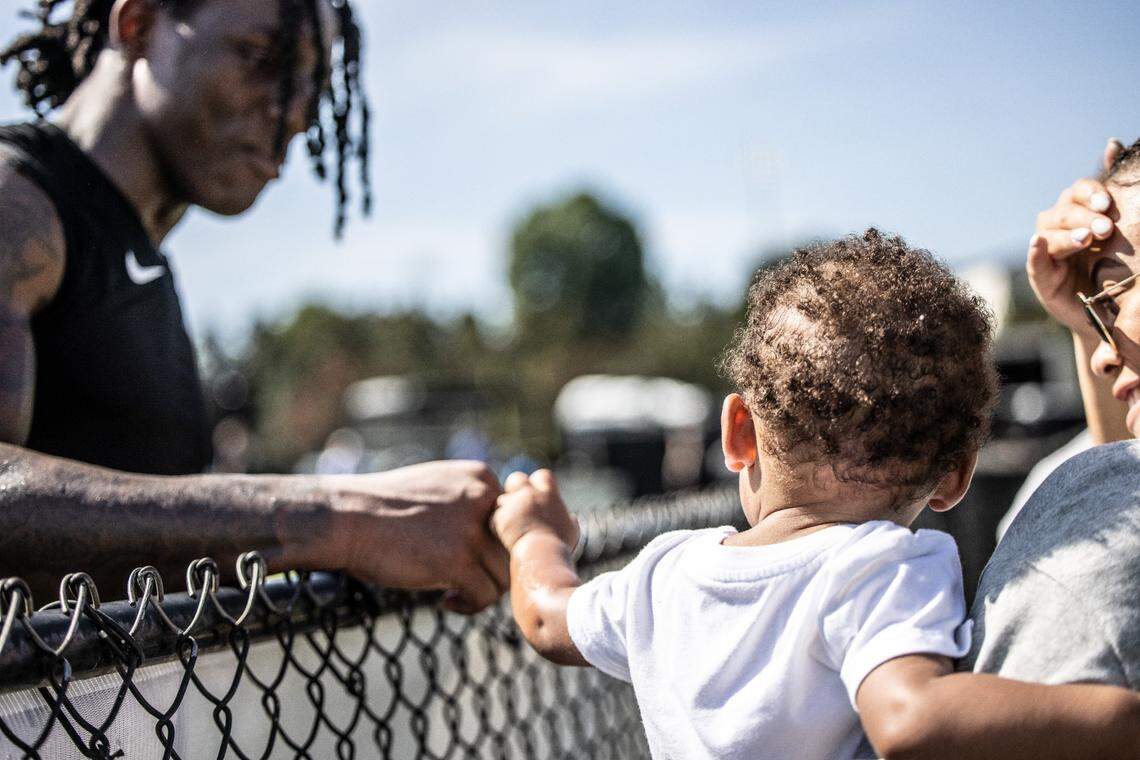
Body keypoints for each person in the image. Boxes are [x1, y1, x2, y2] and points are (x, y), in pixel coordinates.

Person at [490, 230, 1140, 760]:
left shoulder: (662, 573)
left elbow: (547, 618)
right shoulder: (879, 566)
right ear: (954, 476)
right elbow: (910, 719)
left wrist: (532, 535)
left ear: (738, 431)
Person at [0, 0, 507, 613]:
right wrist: (343, 520)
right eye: (256, 57)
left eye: (307, 87)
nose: (291, 115)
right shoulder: (18, 205)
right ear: (137, 24)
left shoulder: (139, 257)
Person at [962, 138, 1140, 683]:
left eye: (1112, 296)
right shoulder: (1064, 481)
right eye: (1096, 311)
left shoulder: (1076, 554)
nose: (1104, 354)